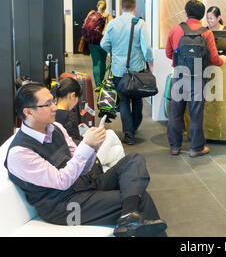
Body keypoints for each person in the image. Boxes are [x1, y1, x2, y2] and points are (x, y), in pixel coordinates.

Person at [4, 82, 167, 237]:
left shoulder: (56, 128)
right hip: (65, 206)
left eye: (52, 101)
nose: (54, 107)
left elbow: (84, 167)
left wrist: (93, 146)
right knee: (141, 198)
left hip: (84, 185)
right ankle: (130, 217)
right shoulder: (20, 153)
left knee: (133, 160)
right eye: (47, 105)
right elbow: (61, 181)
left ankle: (128, 216)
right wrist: (86, 146)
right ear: (28, 112)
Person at [165, 0, 226, 157]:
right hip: (198, 79)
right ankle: (196, 148)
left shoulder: (175, 30)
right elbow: (214, 60)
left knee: (175, 113)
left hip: (179, 77)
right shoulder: (206, 33)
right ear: (202, 15)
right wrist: (224, 59)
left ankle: (175, 146)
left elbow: (168, 54)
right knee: (195, 114)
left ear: (186, 13)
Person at [100, 0, 152, 145]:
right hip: (136, 70)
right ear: (134, 8)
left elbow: (103, 44)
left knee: (123, 100)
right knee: (136, 99)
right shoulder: (140, 24)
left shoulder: (113, 23)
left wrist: (114, 52)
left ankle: (128, 133)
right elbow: (146, 47)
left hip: (118, 70)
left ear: (122, 8)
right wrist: (149, 60)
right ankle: (133, 128)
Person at [52, 77, 125, 170]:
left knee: (118, 151)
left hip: (65, 158)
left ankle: (105, 175)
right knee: (111, 134)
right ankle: (101, 174)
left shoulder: (52, 112)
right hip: (79, 159)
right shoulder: (69, 116)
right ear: (72, 96)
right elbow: (76, 143)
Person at [82, 0, 114, 87]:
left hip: (92, 42)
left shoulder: (91, 13)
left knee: (96, 63)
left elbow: (85, 24)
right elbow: (111, 31)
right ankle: (102, 81)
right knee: (103, 62)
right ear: (105, 7)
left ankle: (97, 84)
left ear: (97, 6)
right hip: (103, 43)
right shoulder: (108, 17)